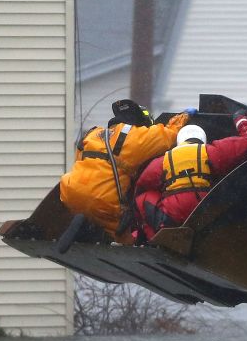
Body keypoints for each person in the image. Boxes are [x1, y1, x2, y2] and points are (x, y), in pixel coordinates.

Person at [60, 100, 193, 243]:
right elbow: (168, 135)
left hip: (70, 193)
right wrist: (183, 116)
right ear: (141, 122)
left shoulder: (93, 134)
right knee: (125, 239)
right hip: (101, 201)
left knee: (94, 214)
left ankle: (86, 228)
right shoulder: (134, 137)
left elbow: (80, 160)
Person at [132, 110, 247, 242]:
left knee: (141, 198)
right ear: (203, 139)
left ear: (180, 140)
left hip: (174, 214)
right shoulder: (212, 151)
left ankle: (153, 239)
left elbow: (142, 185)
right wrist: (240, 118)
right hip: (205, 211)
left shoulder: (163, 161)